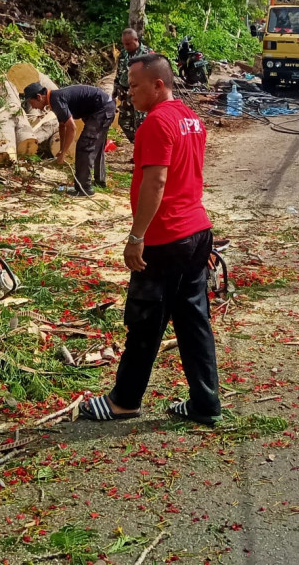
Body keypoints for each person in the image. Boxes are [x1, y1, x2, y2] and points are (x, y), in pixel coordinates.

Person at [79, 53, 221, 426]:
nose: (129, 93)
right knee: (193, 321)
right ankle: (205, 403)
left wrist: (136, 236)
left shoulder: (156, 123)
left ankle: (123, 401)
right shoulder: (192, 119)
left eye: (135, 86)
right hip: (196, 231)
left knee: (145, 321)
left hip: (166, 237)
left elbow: (156, 182)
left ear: (158, 85)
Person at [23, 82, 116, 197]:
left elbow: (72, 128)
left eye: (31, 102)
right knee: (95, 144)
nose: (33, 107)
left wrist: (64, 154)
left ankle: (84, 188)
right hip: (104, 106)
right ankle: (99, 181)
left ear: (39, 97)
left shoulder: (56, 100)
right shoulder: (54, 99)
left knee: (85, 146)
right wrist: (61, 149)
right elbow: (62, 126)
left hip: (102, 109)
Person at [114, 28, 151, 143]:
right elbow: (119, 73)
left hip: (141, 94)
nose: (126, 47)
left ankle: (142, 148)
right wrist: (115, 92)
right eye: (124, 44)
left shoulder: (147, 54)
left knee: (140, 123)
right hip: (125, 94)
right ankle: (138, 144)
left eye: (128, 44)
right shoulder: (123, 54)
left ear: (136, 40)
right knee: (123, 121)